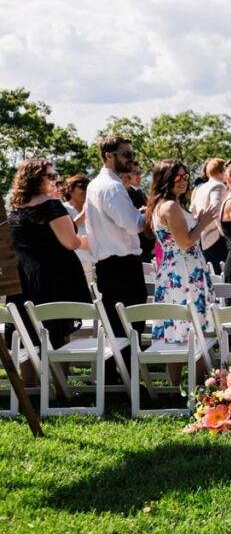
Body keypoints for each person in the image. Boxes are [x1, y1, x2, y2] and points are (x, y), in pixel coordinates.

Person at [7, 159, 91, 369]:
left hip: (24, 279)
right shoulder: (51, 206)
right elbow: (70, 241)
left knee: (26, 332)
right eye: (51, 176)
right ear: (35, 179)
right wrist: (89, 241)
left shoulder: (17, 209)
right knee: (58, 329)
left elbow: (50, 233)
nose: (57, 181)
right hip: (53, 277)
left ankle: (31, 386)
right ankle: (61, 389)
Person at [147, 160, 218, 383]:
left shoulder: (170, 204)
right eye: (178, 177)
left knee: (178, 326)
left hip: (180, 269)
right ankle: (191, 384)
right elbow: (185, 242)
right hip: (183, 271)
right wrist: (204, 222)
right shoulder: (169, 206)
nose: (184, 181)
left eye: (186, 177)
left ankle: (181, 383)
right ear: (165, 179)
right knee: (190, 325)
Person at [86, 136, 148, 338]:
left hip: (106, 267)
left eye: (132, 154)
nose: (131, 159)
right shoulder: (112, 187)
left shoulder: (94, 184)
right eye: (126, 154)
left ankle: (115, 370)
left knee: (115, 330)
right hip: (124, 268)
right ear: (109, 156)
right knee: (132, 328)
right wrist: (147, 214)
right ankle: (129, 369)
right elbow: (133, 224)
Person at [190, 158, 228, 274]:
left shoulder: (200, 188)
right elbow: (215, 211)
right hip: (217, 238)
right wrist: (225, 234)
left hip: (203, 239)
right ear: (222, 171)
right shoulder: (219, 186)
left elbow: (192, 209)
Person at [61, 174, 94, 280]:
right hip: (77, 261)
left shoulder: (92, 208)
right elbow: (67, 231)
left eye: (88, 187)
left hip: (96, 259)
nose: (86, 190)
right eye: (82, 186)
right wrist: (84, 214)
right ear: (70, 189)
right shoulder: (64, 209)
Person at [126, 162, 156, 262]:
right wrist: (141, 212)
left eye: (140, 172)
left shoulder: (140, 192)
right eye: (135, 173)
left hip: (147, 247)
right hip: (138, 247)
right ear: (127, 174)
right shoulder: (126, 193)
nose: (139, 176)